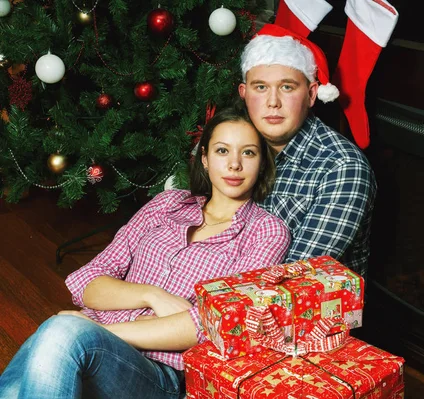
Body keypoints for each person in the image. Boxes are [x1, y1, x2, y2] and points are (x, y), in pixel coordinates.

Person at [0, 106, 290, 399]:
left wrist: (99, 333)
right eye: (222, 151)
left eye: (249, 153)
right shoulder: (168, 204)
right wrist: (151, 294)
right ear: (204, 158)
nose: (234, 164)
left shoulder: (266, 232)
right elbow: (88, 280)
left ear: (263, 163)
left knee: (60, 331)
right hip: (86, 338)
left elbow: (215, 324)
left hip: (160, 374)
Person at [237, 22, 377, 278]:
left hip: (302, 309)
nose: (272, 102)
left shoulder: (342, 168)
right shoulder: (233, 144)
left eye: (287, 87)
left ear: (312, 95)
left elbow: (290, 278)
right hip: (225, 289)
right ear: (244, 94)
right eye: (260, 87)